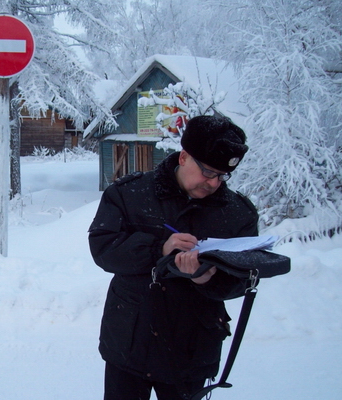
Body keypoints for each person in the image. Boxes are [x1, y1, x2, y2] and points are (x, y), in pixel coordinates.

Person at [88, 115, 259, 400]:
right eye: (207, 172)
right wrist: (159, 250)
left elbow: (243, 276)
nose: (214, 183)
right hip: (130, 341)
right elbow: (104, 248)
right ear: (183, 157)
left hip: (193, 348)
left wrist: (208, 279)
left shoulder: (237, 213)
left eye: (222, 175)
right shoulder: (130, 194)